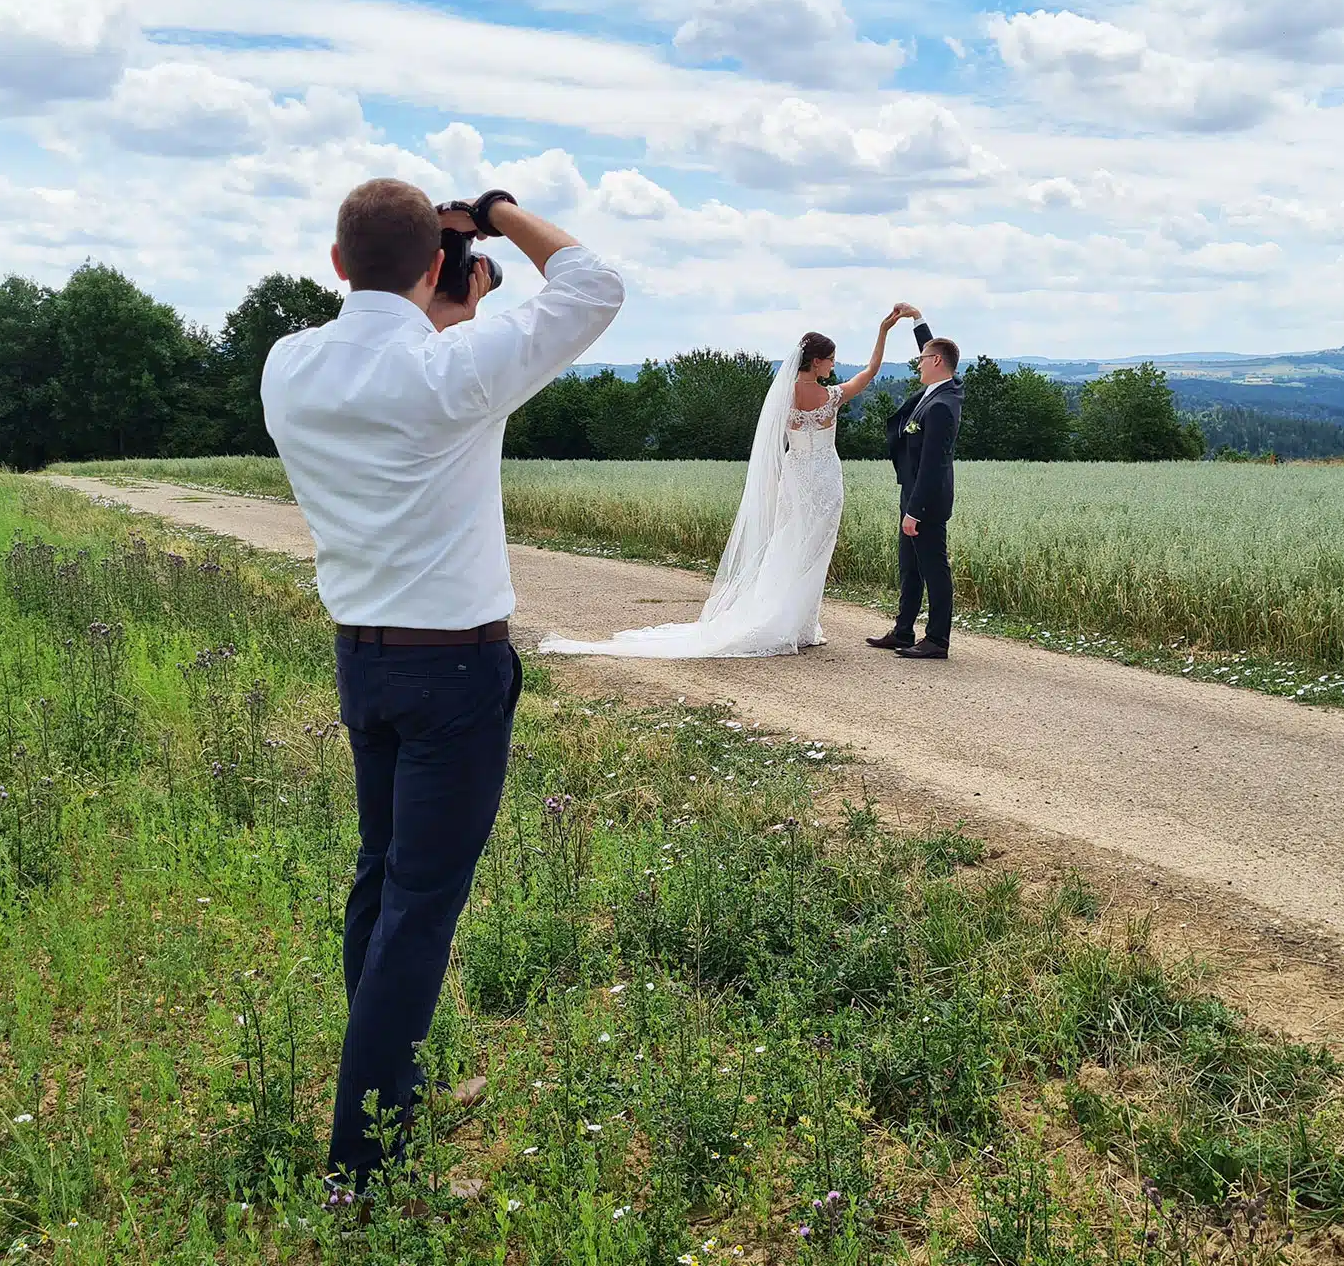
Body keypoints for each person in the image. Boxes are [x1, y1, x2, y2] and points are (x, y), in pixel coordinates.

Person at [260, 178, 624, 1193]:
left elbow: (395, 353)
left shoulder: (289, 365)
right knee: (419, 909)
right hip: (453, 668)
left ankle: (392, 1092)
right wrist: (497, 211)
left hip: (362, 659)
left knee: (381, 884)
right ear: (433, 267)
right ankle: (367, 1166)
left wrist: (439, 280)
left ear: (336, 263)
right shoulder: (451, 369)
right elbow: (593, 287)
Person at [539, 304, 915, 658]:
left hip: (797, 478)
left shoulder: (783, 394)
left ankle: (792, 621)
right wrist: (883, 331)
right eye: (831, 358)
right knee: (815, 548)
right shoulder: (831, 396)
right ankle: (798, 625)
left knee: (789, 544)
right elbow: (871, 370)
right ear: (817, 361)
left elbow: (775, 440)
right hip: (826, 479)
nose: (833, 365)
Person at [867, 322, 963, 660]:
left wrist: (915, 511)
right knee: (909, 566)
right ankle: (903, 630)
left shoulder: (942, 405)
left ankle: (937, 639)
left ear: (936, 363)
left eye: (922, 359)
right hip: (911, 495)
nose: (917, 363)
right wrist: (918, 321)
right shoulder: (940, 389)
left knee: (934, 569)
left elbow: (933, 465)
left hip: (927, 502)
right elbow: (939, 350)